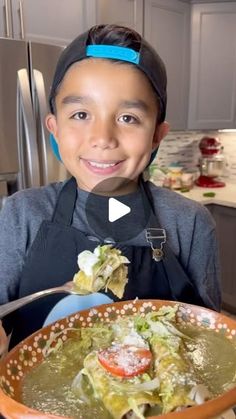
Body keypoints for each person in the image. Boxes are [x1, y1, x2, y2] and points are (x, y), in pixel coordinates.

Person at [0, 24, 221, 355]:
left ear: (157, 135)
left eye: (129, 118)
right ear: (55, 128)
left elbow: (208, 341)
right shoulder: (21, 215)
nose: (103, 138)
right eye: (81, 114)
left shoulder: (189, 223)